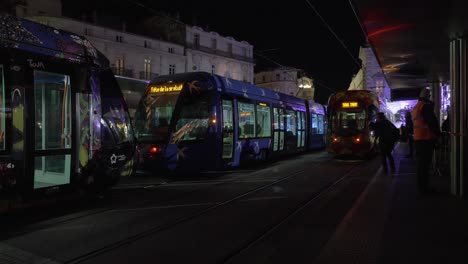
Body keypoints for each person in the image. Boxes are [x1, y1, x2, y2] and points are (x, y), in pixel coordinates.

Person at [411, 88, 441, 195]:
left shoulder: (416, 107)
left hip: (418, 140)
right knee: (425, 166)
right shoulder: (425, 106)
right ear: (428, 96)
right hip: (426, 140)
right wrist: (438, 135)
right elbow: (432, 122)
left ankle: (421, 187)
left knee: (421, 166)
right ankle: (425, 189)